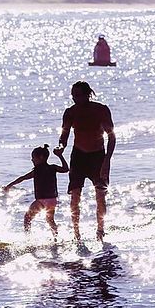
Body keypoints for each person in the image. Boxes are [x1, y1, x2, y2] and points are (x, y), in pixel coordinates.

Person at [56, 81, 115, 242]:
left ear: (88, 94)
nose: (75, 98)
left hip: (98, 157)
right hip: (78, 157)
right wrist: (60, 147)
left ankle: (100, 231)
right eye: (73, 95)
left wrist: (107, 161)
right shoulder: (70, 112)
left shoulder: (101, 110)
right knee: (75, 196)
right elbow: (64, 135)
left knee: (100, 196)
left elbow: (111, 136)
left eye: (79, 95)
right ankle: (76, 234)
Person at [4, 144, 69, 240]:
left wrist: (9, 185)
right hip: (52, 200)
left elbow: (23, 178)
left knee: (27, 218)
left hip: (41, 200)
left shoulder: (37, 171)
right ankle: (56, 238)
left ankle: (28, 239)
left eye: (33, 158)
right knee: (50, 220)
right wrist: (60, 156)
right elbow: (65, 169)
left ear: (41, 157)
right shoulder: (53, 168)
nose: (32, 160)